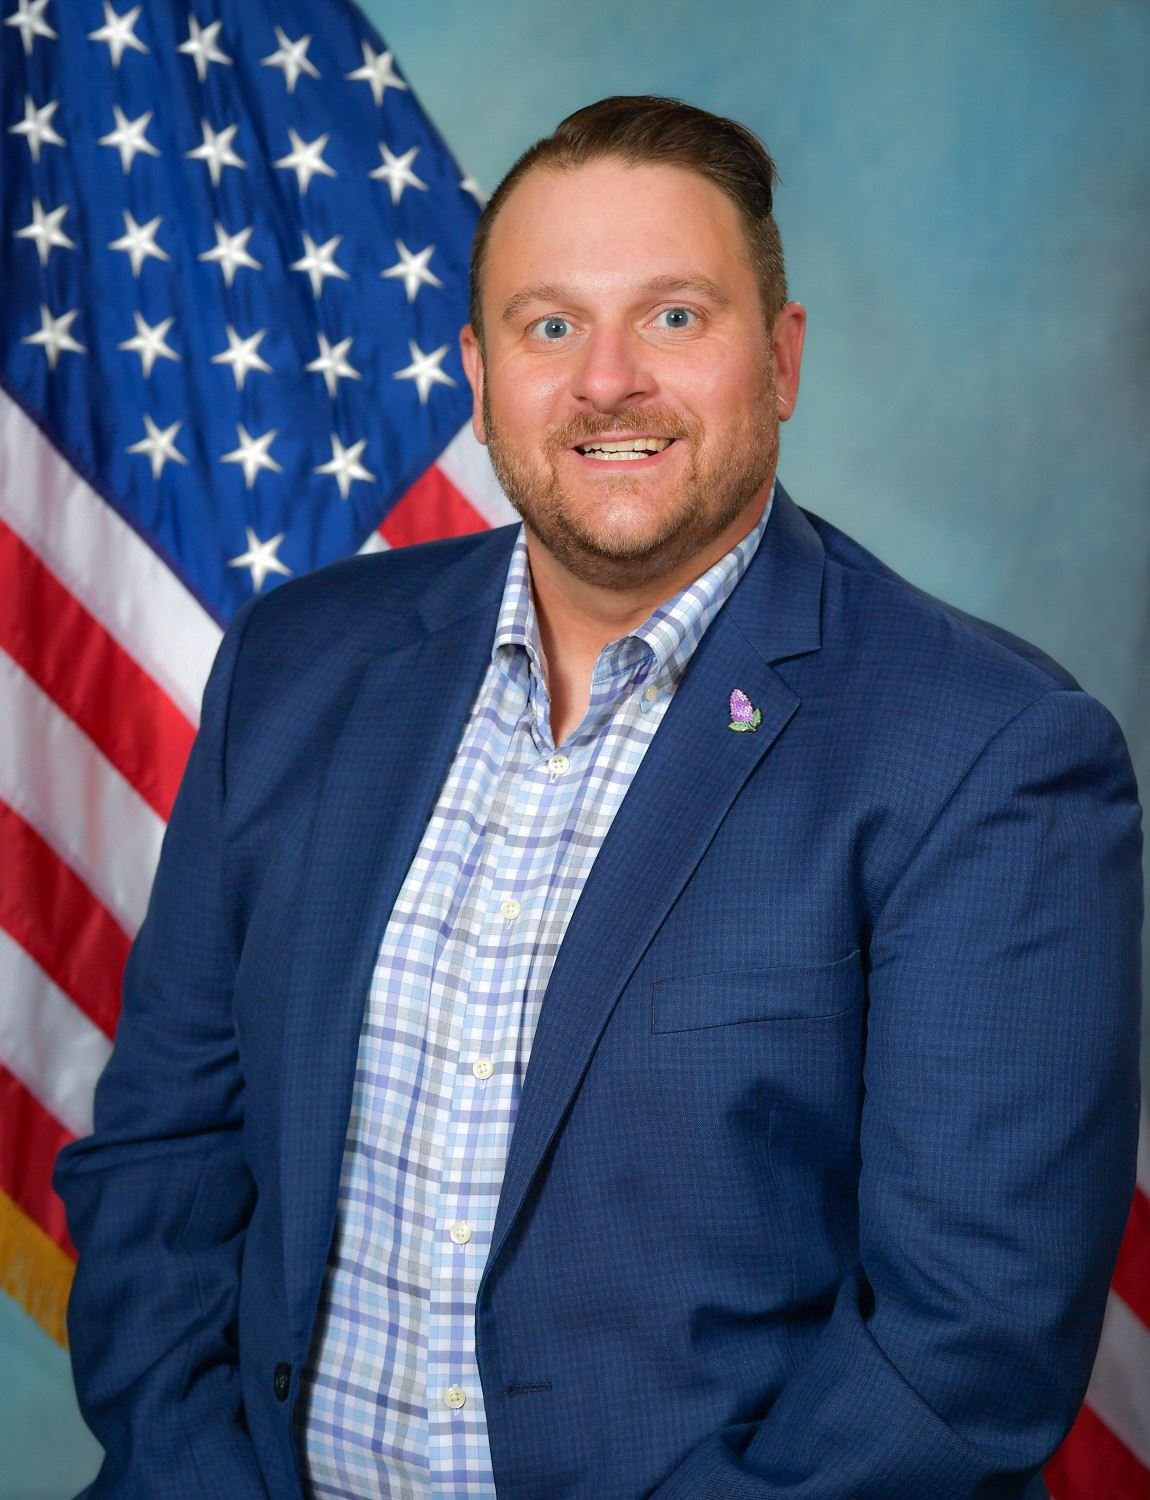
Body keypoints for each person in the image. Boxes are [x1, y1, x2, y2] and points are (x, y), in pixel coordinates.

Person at [55, 95, 1142, 1500]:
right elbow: (165, 1153)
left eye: (674, 318)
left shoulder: (987, 752)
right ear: (479, 368)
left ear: (782, 357)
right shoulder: (298, 663)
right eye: (548, 325)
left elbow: (966, 1349)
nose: (606, 380)